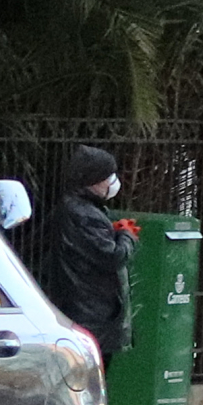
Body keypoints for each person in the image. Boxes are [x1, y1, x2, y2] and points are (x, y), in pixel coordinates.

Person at [37, 144, 141, 360]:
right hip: (92, 315)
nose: (113, 181)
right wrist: (127, 236)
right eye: (107, 176)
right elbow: (114, 256)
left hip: (86, 311)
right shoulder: (84, 215)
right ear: (94, 180)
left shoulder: (80, 210)